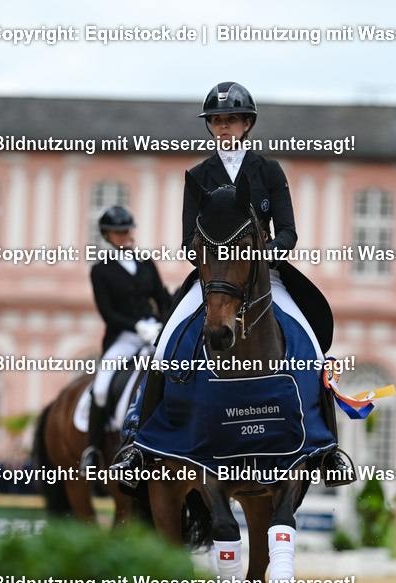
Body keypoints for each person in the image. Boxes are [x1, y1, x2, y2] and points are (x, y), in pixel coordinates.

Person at [112, 82, 353, 484]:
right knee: (164, 344)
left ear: (246, 124)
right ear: (211, 127)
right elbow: (190, 238)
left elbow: (289, 232)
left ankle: (328, 451)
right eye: (217, 121)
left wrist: (262, 256)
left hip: (264, 278)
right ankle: (139, 445)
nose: (224, 127)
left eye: (231, 120)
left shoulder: (269, 171)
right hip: (214, 281)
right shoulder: (199, 175)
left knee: (311, 343)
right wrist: (215, 263)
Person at [79, 206, 170, 471]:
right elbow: (108, 313)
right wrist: (137, 326)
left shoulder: (146, 263)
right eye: (118, 232)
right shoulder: (101, 271)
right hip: (124, 338)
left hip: (154, 333)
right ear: (107, 235)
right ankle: (93, 450)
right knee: (102, 389)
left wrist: (167, 323)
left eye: (127, 229)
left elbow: (162, 299)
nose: (124, 235)